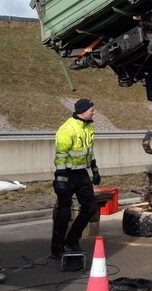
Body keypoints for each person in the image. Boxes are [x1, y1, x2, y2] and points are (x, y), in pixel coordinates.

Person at [50, 98, 101, 260]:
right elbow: (61, 155)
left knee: (90, 207)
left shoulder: (88, 126)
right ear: (83, 111)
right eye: (91, 110)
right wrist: (60, 178)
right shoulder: (67, 129)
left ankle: (72, 240)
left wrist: (95, 169)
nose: (94, 112)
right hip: (67, 174)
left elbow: (89, 150)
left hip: (82, 174)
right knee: (63, 213)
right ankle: (57, 250)